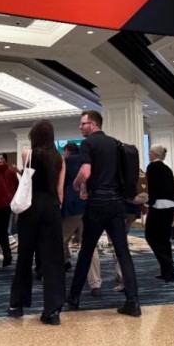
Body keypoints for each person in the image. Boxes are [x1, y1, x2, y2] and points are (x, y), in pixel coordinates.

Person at [68, 111, 141, 317]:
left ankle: (74, 297)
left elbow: (86, 172)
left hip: (97, 203)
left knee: (86, 251)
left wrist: (76, 184)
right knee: (122, 252)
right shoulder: (115, 144)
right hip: (116, 202)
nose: (80, 127)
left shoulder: (88, 144)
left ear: (93, 124)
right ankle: (133, 301)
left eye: (83, 124)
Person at [8, 119, 66, 325]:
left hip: (31, 207)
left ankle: (17, 305)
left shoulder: (28, 154)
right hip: (52, 207)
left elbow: (27, 180)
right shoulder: (60, 159)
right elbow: (60, 192)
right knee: (53, 260)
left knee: (25, 255)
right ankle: (53, 310)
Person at [60, 142, 102, 296]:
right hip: (90, 206)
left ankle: (56, 276)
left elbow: (61, 185)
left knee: (59, 240)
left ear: (67, 151)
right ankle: (95, 283)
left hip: (72, 207)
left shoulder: (67, 162)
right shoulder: (92, 162)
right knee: (89, 244)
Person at [145, 144, 174, 283]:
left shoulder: (152, 167)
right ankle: (167, 272)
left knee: (151, 237)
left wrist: (147, 204)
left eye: (150, 152)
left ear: (154, 154)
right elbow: (173, 189)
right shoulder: (167, 169)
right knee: (164, 239)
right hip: (170, 206)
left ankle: (168, 264)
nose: (149, 155)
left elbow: (151, 187)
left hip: (157, 206)